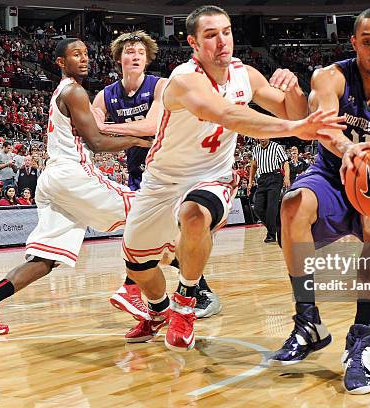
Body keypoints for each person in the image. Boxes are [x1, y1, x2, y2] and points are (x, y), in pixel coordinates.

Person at [120, 5, 344, 351]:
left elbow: (294, 114)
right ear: (193, 43)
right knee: (137, 265)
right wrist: (293, 127)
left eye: (226, 32)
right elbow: (225, 113)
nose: (222, 41)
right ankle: (158, 309)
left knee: (194, 215)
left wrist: (295, 91)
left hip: (212, 175)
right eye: (211, 35)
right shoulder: (183, 80)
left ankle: (186, 301)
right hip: (163, 180)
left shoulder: (246, 75)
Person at [267, 7, 370, 395]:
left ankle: (360, 344)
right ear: (354, 43)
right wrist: (347, 150)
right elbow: (322, 124)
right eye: (367, 41)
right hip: (332, 172)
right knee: (292, 205)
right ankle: (308, 322)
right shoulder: (330, 77)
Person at [0, 38, 151, 336]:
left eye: (87, 54)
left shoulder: (61, 92)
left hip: (52, 180)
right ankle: (133, 290)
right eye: (76, 55)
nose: (85, 59)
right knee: (147, 211)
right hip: (71, 174)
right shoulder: (75, 91)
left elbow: (95, 133)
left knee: (46, 259)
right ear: (61, 62)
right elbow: (96, 143)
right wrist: (139, 140)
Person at [91, 31, 222, 319]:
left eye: (140, 52)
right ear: (118, 58)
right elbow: (92, 131)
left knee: (171, 237)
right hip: (140, 174)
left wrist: (113, 128)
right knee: (158, 246)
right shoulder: (106, 95)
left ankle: (184, 294)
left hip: (173, 170)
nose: (135, 56)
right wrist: (132, 135)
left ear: (148, 58)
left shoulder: (161, 86)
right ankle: (194, 293)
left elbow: (151, 127)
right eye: (129, 52)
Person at [248, 139, 289, 243]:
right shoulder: (256, 149)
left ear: (269, 136)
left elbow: (285, 163)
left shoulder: (276, 147)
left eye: (264, 136)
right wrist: (250, 182)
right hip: (262, 179)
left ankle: (271, 235)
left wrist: (287, 177)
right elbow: (253, 166)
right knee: (257, 208)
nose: (262, 138)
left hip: (275, 177)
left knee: (271, 207)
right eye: (260, 136)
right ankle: (276, 227)